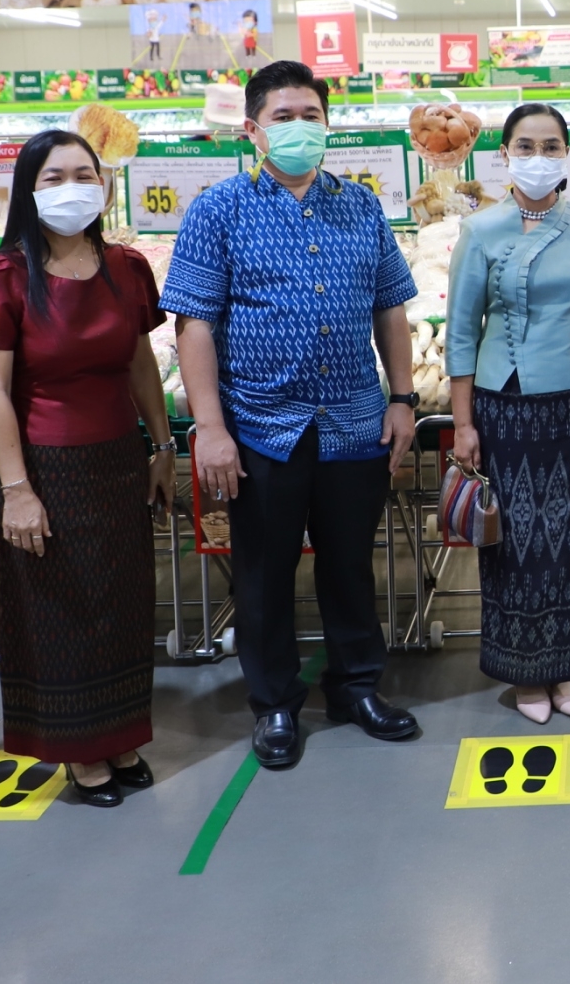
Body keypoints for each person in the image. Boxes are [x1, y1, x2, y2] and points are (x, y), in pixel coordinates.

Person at [162, 60, 421, 770]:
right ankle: (274, 700)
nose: (300, 127)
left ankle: (356, 686)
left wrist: (402, 398)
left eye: (311, 115)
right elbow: (194, 324)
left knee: (350, 563)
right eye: (283, 117)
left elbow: (390, 307)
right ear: (253, 130)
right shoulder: (218, 210)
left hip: (355, 420)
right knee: (264, 570)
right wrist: (210, 428)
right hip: (261, 424)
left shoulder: (360, 206)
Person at [0, 130, 175, 805]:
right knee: (61, 607)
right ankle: (79, 749)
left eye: (85, 174)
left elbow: (140, 361)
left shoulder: (127, 267)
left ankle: (121, 732)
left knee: (122, 601)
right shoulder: (0, 275)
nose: (72, 187)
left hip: (118, 459)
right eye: (54, 177)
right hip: (43, 466)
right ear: (27, 189)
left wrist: (162, 446)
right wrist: (17, 489)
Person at [446, 103, 570, 723]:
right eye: (526, 146)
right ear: (504, 154)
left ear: (566, 155)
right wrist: (464, 423)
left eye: (551, 146)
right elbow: (461, 333)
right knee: (516, 539)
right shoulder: (481, 231)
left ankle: (566, 663)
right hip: (507, 407)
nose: (538, 157)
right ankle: (526, 671)